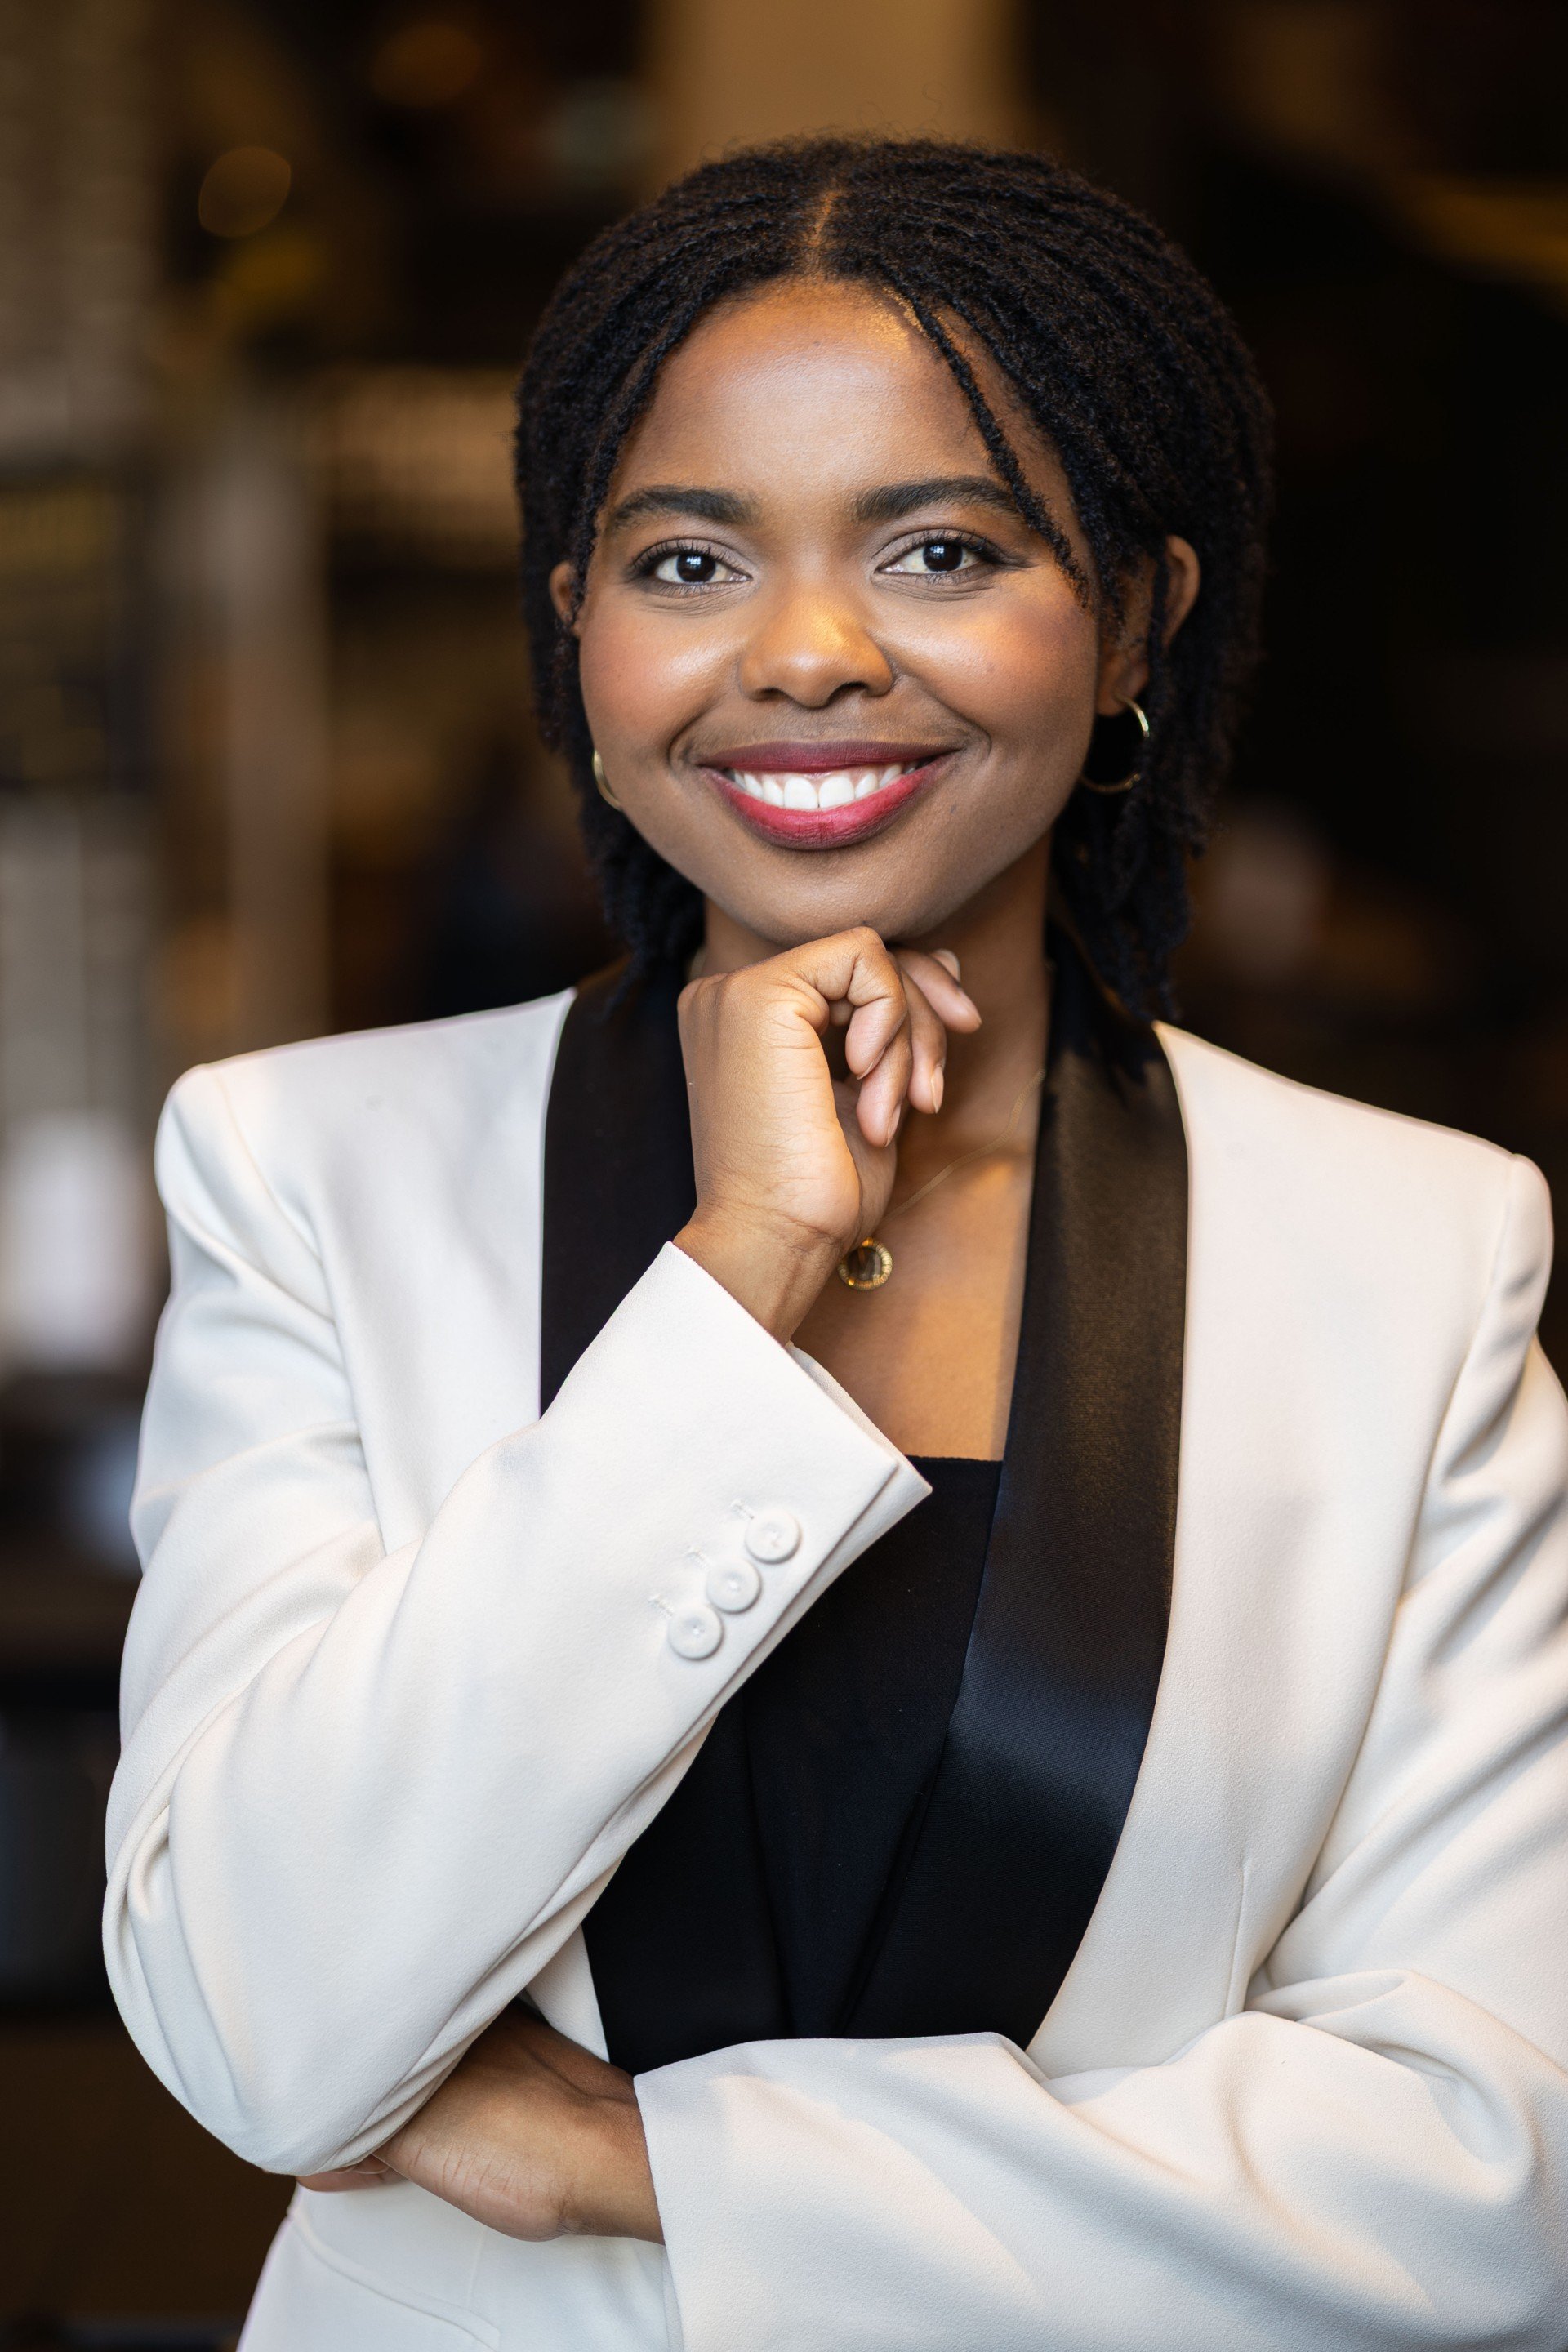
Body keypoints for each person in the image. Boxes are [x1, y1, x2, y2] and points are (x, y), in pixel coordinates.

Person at [106, 138, 1568, 2351]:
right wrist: (743, 1267)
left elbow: (1491, 2191)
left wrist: (639, 2164)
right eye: (687, 556)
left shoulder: (1411, 1255)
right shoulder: (313, 1174)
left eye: (944, 548)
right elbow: (263, 2031)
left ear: (1143, 618)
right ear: (574, 627)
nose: (800, 655)